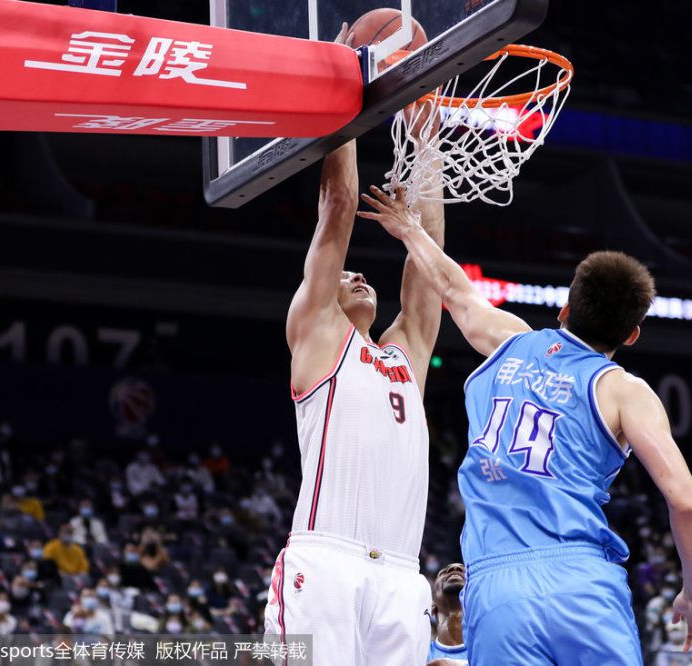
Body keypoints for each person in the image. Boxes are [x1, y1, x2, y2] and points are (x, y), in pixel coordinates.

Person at [360, 188, 692, 665]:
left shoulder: (510, 343)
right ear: (631, 335)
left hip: (498, 588)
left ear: (565, 311)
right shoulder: (626, 391)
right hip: (582, 581)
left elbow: (452, 287)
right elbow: (686, 503)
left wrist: (408, 229)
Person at [263, 25, 446, 666]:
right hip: (328, 562)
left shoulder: (403, 356)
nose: (358, 274)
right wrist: (342, 88)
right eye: (346, 276)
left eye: (359, 274)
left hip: (401, 575)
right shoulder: (317, 334)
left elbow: (430, 269)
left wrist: (426, 134)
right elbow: (338, 206)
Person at [427, 563, 467, 665]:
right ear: (432, 607)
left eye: (466, 571)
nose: (455, 568)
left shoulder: (494, 649)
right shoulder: (418, 653)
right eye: (443, 572)